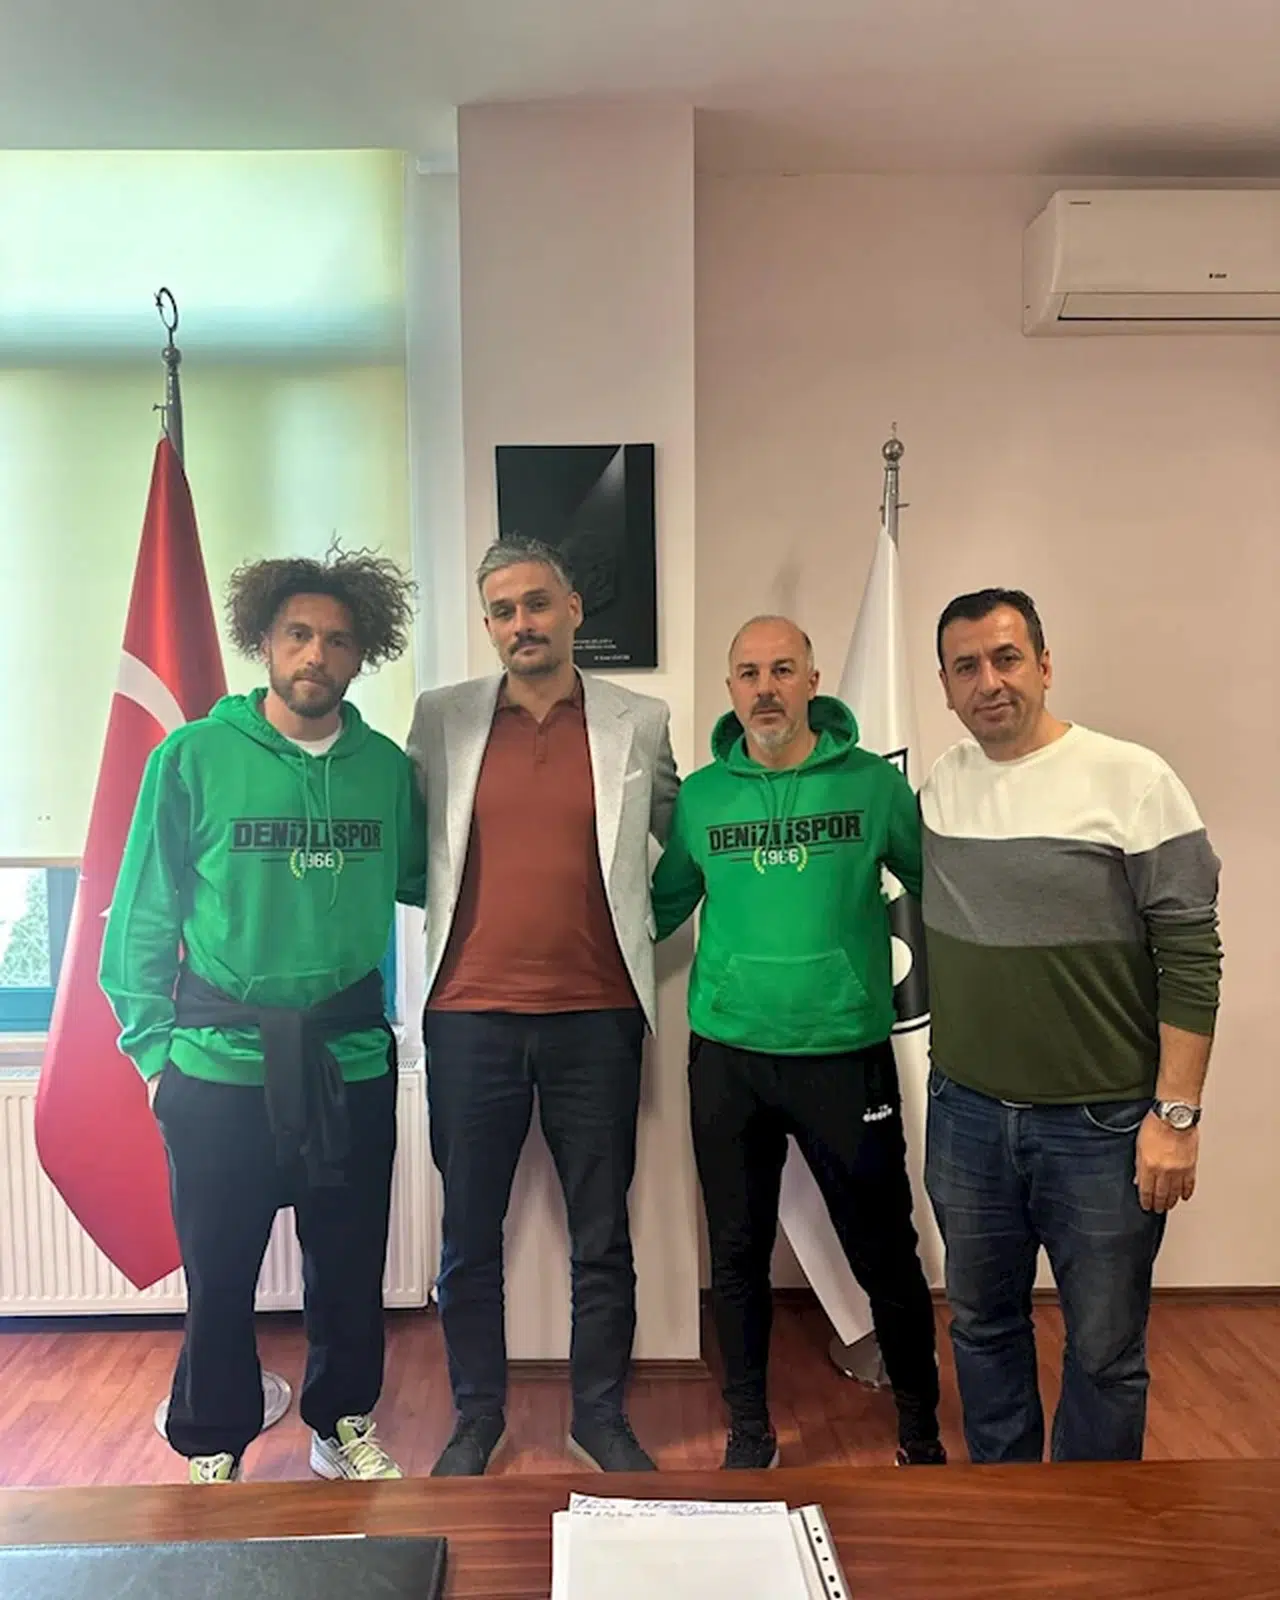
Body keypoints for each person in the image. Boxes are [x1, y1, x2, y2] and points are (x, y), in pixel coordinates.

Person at [101, 548, 426, 1485]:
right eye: (298, 635)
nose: (316, 654)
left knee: (349, 1265)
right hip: (215, 1067)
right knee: (219, 1272)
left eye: (338, 640)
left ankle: (341, 1422)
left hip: (349, 1061)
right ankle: (212, 1438)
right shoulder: (193, 758)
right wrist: (153, 1056)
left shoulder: (384, 771)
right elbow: (143, 912)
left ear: (362, 654)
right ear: (265, 642)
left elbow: (428, 880)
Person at [922, 587, 1222, 1463]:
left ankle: (1093, 1523)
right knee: (981, 1326)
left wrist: (1176, 1117)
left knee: (1104, 1350)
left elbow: (1191, 957)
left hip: (1102, 1128)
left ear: (1046, 665)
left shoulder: (1133, 780)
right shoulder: (942, 787)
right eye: (966, 667)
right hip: (967, 1117)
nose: (989, 682)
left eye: (1007, 658)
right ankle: (1008, 1504)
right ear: (945, 687)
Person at [407, 535, 679, 1477]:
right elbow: (411, 853)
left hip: (597, 1017)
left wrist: (639, 924)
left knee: (602, 1235)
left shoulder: (641, 721)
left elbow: (676, 847)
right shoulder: (439, 719)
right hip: (467, 1017)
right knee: (466, 1238)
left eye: (536, 603)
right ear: (488, 625)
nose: (521, 623)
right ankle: (475, 1419)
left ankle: (599, 1417)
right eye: (502, 610)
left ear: (572, 610)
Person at [651, 615, 944, 1470]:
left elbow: (943, 890)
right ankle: (749, 1431)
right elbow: (657, 910)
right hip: (729, 1059)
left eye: (783, 670)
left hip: (844, 1054)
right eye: (748, 673)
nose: (766, 689)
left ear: (814, 682)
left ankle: (920, 1432)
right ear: (731, 688)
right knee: (736, 1255)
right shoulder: (703, 797)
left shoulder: (873, 787)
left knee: (885, 1250)